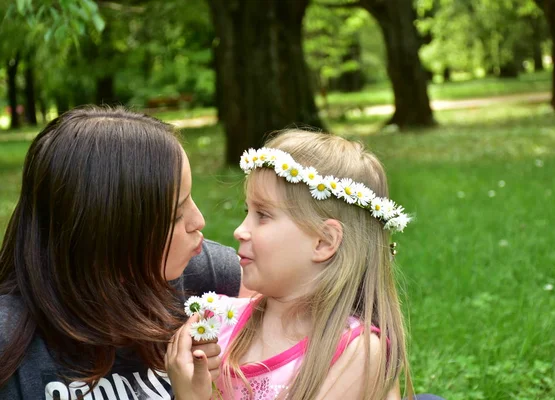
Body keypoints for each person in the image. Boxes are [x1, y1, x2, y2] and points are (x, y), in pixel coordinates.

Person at [0, 107, 241, 399]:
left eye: (190, 200)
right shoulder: (11, 342)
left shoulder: (197, 276)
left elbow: (302, 292)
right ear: (110, 236)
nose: (198, 221)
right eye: (175, 215)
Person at [172, 129, 415, 399]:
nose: (240, 230)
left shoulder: (354, 353)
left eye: (262, 215)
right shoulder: (216, 322)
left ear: (323, 242)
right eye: (247, 212)